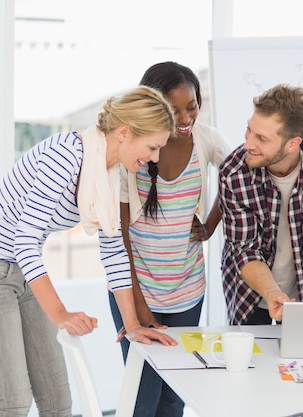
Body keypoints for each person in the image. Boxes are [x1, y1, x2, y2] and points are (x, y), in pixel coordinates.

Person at [0, 86, 178, 417]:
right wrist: (61, 314)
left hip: (22, 271)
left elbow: (113, 250)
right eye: (152, 147)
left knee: (57, 398)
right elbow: (25, 239)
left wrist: (133, 324)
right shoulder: (65, 155)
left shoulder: (107, 172)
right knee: (14, 400)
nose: (154, 157)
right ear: (124, 132)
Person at [108, 62, 231, 417]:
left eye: (190, 105)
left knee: (175, 396)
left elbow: (238, 176)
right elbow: (119, 238)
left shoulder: (206, 139)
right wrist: (140, 306)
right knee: (142, 397)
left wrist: (209, 226)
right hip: (135, 289)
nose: (184, 116)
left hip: (187, 291)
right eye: (173, 108)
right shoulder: (135, 151)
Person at [218, 84, 303, 325]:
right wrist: (272, 294)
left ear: (293, 144)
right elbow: (244, 250)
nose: (248, 143)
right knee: (250, 360)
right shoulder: (233, 173)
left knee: (301, 359)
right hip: (248, 294)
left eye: (261, 138)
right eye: (249, 130)